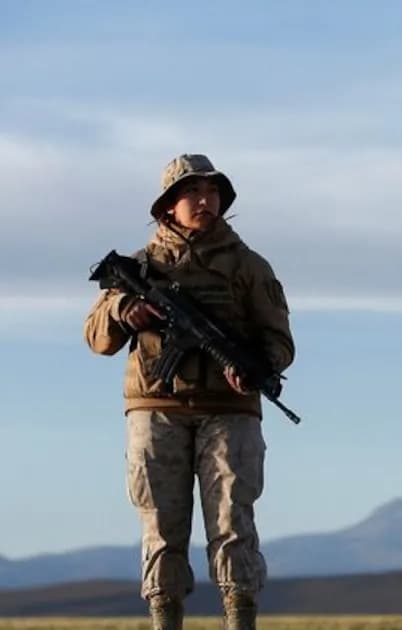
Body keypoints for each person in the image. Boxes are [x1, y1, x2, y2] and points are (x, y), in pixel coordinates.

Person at [84, 154, 295, 630]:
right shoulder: (139, 268)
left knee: (233, 524)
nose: (205, 201)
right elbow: (96, 338)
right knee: (160, 527)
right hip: (156, 410)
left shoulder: (249, 267)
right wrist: (123, 310)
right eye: (192, 193)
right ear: (167, 207)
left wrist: (260, 369)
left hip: (230, 411)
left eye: (212, 192)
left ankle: (239, 620)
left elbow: (279, 339)